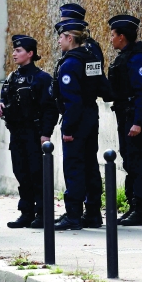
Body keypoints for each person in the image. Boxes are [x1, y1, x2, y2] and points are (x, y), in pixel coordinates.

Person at [47, 18, 103, 230]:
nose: (59, 42)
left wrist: (68, 128)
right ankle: (93, 213)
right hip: (91, 116)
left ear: (70, 38)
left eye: (61, 37)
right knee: (90, 165)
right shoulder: (91, 58)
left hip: (76, 120)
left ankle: (73, 215)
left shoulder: (70, 63)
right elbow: (103, 88)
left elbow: (73, 101)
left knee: (74, 167)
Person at [0, 34, 51, 228]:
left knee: (37, 174)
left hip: (34, 134)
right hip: (16, 133)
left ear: (30, 53)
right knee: (21, 173)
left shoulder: (42, 78)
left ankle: (43, 213)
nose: (14, 54)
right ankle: (26, 212)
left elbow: (49, 109)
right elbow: (2, 97)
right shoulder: (12, 77)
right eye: (14, 50)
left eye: (18, 51)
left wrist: (46, 133)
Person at [107, 14, 142, 226]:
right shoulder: (125, 56)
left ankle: (140, 208)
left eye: (113, 35)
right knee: (129, 161)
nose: (111, 39)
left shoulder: (138, 58)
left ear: (122, 37)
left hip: (134, 118)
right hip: (124, 115)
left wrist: (137, 122)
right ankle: (133, 206)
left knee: (137, 162)